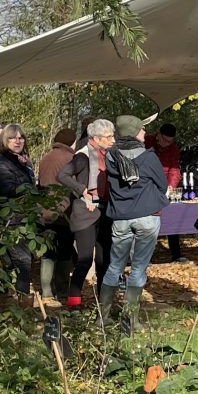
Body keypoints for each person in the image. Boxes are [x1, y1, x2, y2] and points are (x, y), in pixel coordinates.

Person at [101, 115, 167, 329]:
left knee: (114, 267)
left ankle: (103, 317)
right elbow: (161, 183)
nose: (144, 133)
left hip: (120, 217)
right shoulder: (148, 157)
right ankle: (131, 319)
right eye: (141, 130)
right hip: (147, 217)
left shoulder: (110, 155)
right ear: (134, 132)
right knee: (138, 268)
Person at [57, 120, 116, 310]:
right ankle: (73, 303)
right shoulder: (82, 157)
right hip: (85, 214)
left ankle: (104, 303)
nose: (113, 140)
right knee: (84, 260)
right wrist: (83, 191)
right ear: (96, 138)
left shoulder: (107, 155)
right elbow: (63, 175)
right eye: (109, 137)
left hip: (104, 212)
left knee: (103, 260)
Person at [0, 123, 38, 298]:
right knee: (23, 262)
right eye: (12, 137)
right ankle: (23, 304)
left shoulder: (21, 161)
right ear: (5, 140)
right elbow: (6, 188)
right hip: (11, 220)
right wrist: (31, 190)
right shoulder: (0, 161)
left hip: (23, 217)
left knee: (10, 262)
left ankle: (4, 303)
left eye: (20, 137)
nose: (17, 141)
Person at [37, 128, 80, 308]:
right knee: (63, 253)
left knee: (47, 253)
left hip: (44, 212)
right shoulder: (69, 159)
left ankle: (46, 291)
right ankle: (62, 290)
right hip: (62, 212)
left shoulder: (46, 158)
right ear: (71, 142)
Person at [146, 123, 186, 261]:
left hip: (164, 188)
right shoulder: (146, 142)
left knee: (171, 218)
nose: (166, 144)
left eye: (170, 141)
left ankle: (176, 253)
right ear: (158, 135)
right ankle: (146, 255)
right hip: (146, 187)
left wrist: (170, 186)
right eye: (164, 140)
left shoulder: (174, 150)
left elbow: (174, 170)